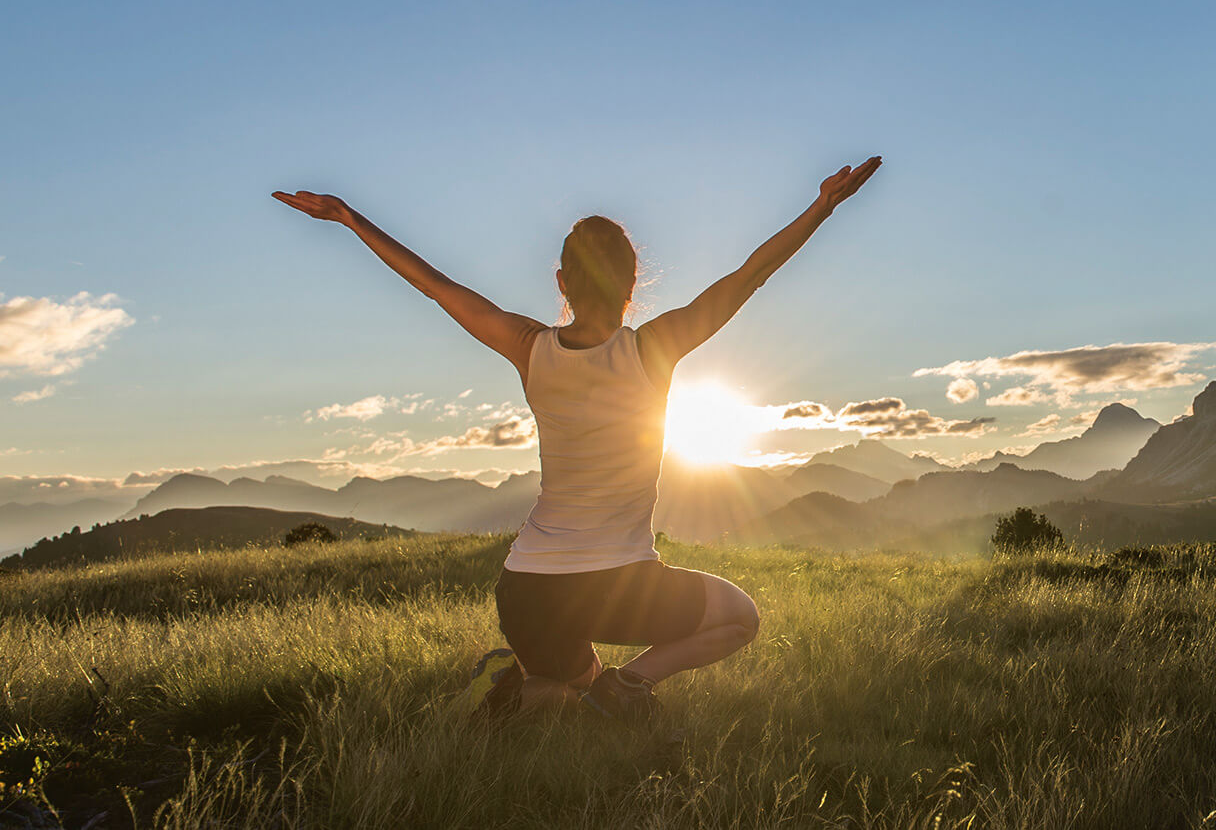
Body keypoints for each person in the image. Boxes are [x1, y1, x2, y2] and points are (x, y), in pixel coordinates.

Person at [273, 156, 882, 720]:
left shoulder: (528, 346)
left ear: (562, 282)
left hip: (525, 593)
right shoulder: (654, 349)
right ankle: (629, 685)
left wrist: (350, 219)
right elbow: (750, 276)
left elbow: (436, 285)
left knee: (568, 688)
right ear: (632, 281)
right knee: (740, 619)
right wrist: (822, 206)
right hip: (617, 587)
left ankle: (534, 681)